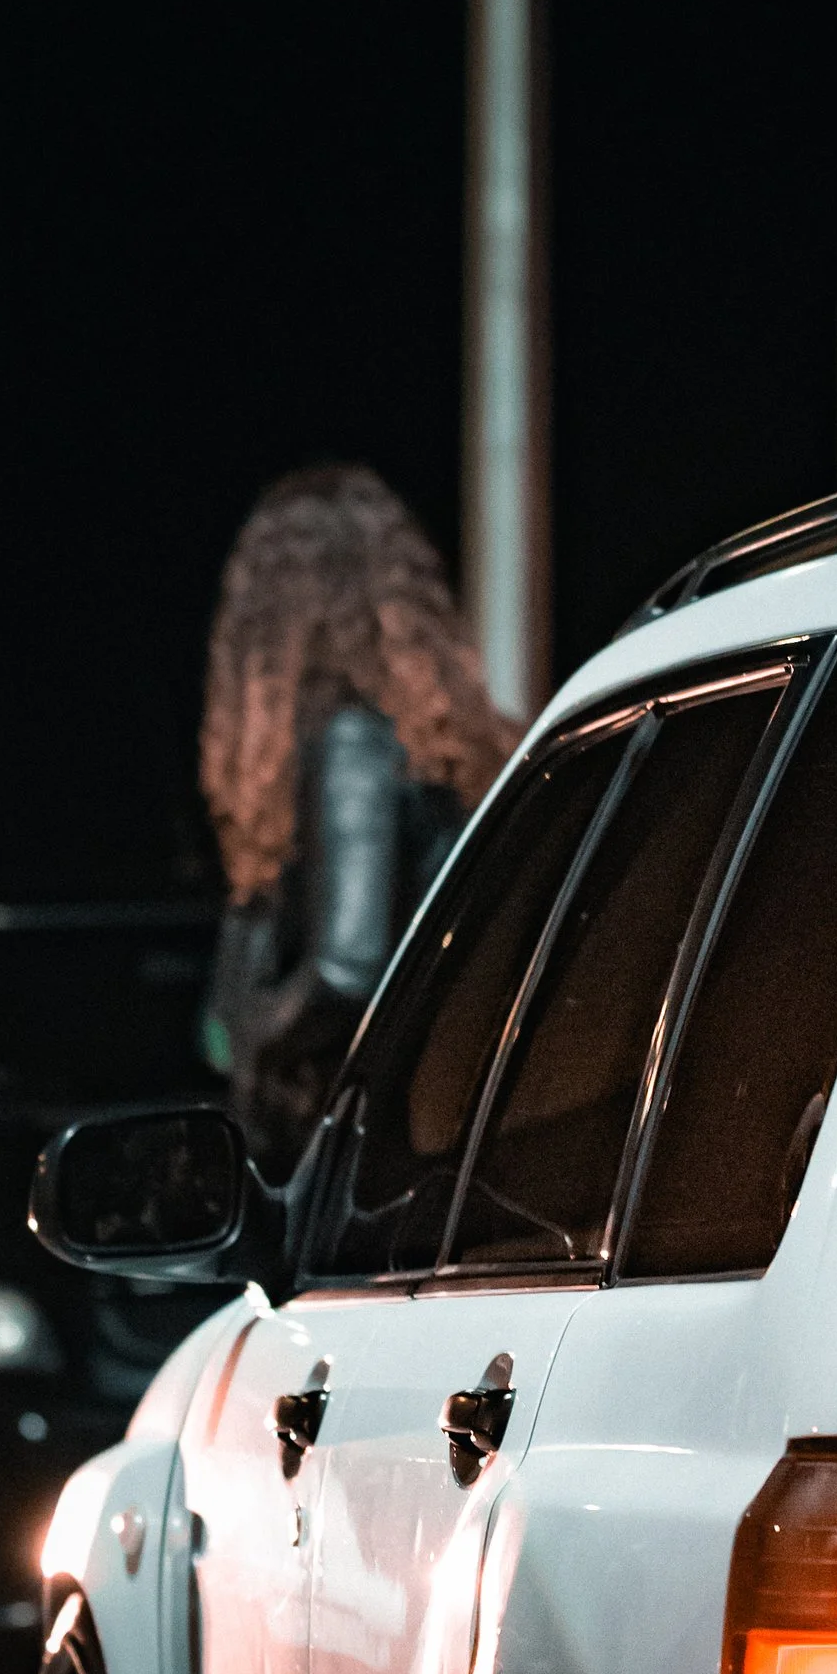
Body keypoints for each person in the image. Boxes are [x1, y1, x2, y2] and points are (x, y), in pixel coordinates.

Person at [199, 464, 515, 1171]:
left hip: (360, 1146)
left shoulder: (351, 741)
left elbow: (347, 966)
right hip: (432, 1123)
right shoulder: (443, 750)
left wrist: (255, 1043)